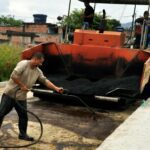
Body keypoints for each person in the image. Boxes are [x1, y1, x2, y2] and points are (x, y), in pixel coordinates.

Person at [0, 52, 63, 141]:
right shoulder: (23, 64)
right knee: (1, 114)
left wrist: (56, 88)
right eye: (40, 62)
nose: (40, 64)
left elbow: (45, 81)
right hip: (10, 94)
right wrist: (21, 85)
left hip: (21, 97)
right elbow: (13, 76)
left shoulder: (38, 71)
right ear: (35, 59)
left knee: (23, 116)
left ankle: (23, 134)